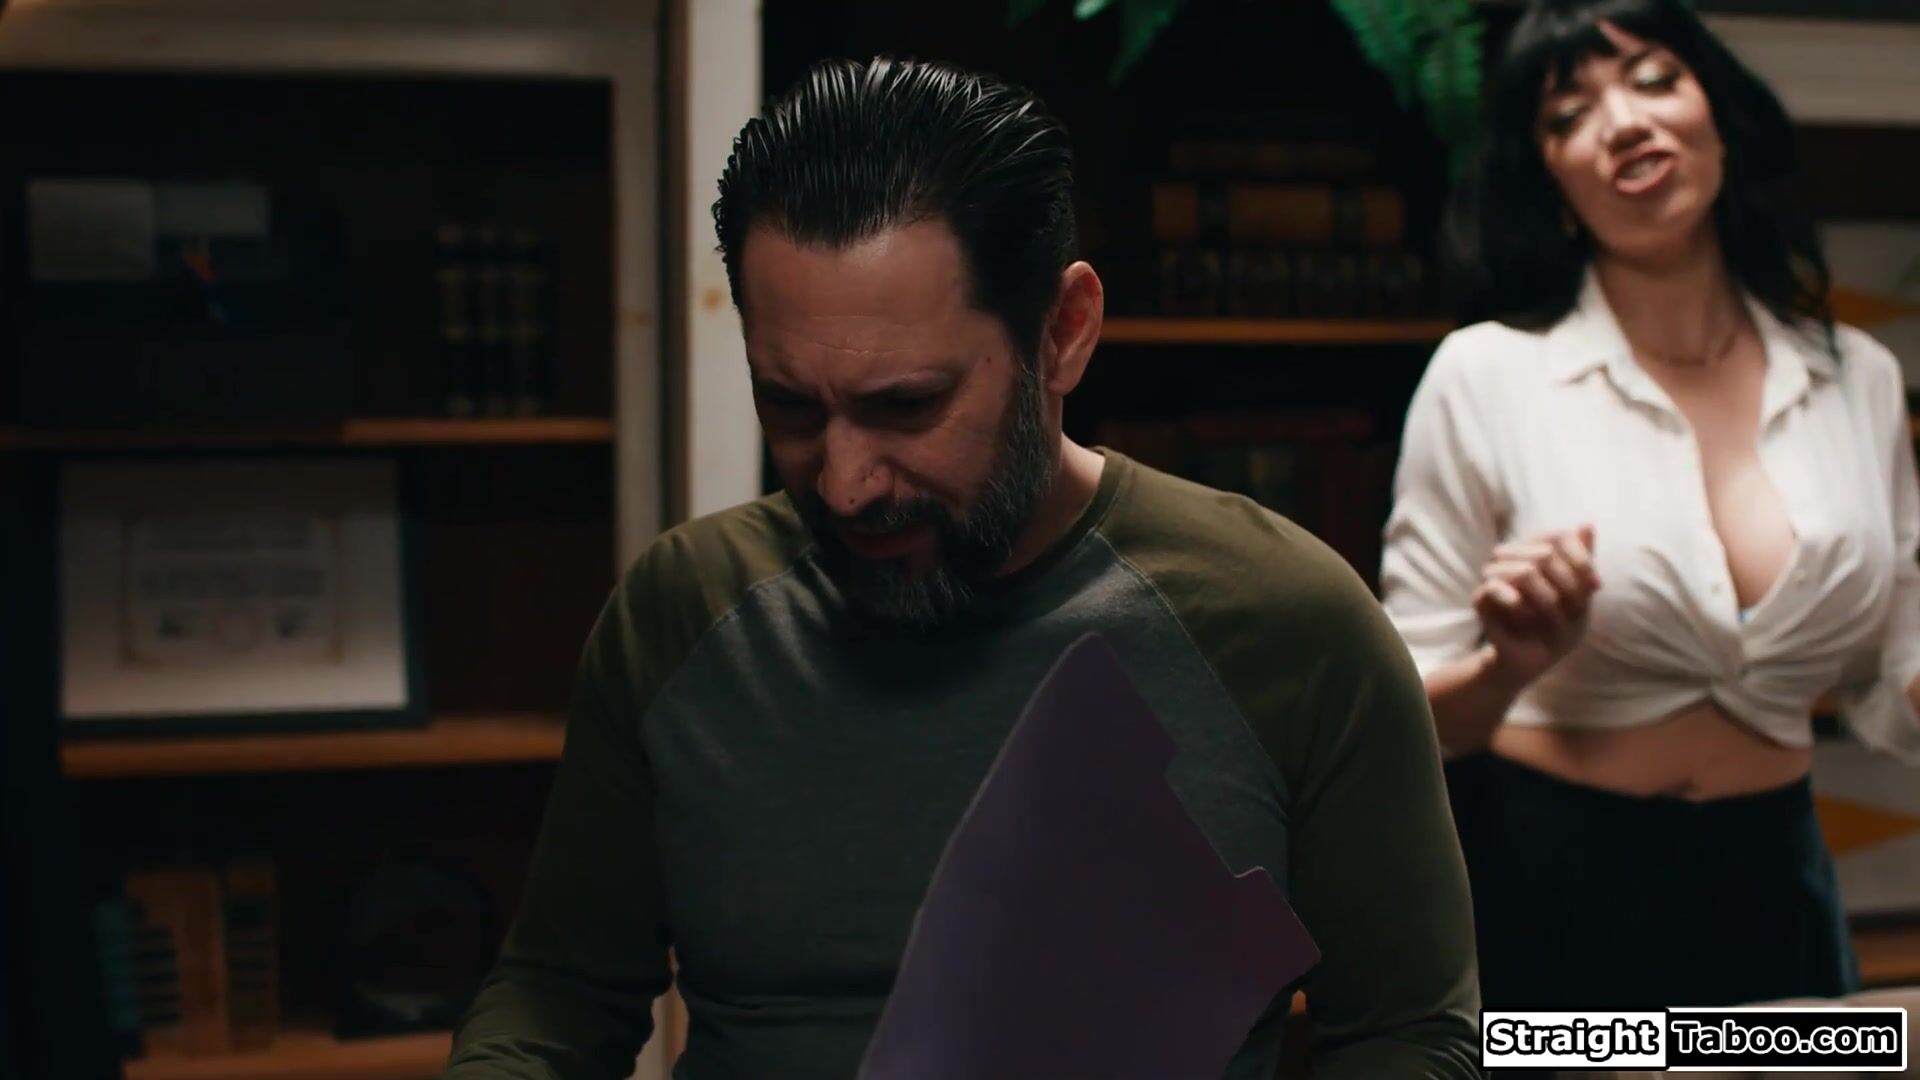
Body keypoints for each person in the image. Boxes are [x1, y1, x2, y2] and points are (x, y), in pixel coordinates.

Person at [445, 57, 1479, 1079]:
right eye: (791, 406)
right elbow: (559, 993)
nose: (845, 484)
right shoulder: (682, 611)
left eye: (906, 407)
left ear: (1063, 333)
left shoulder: (1289, 627)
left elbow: (1414, 1033)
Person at [1383, 0, 1920, 1015]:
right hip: (1555, 892)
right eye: (1568, 115)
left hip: (1781, 886)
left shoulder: (1860, 378)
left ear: (1721, 119)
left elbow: (1895, 672)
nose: (1624, 122)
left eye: (1656, 79)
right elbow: (1403, 713)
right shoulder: (1485, 376)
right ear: (1550, 181)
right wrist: (1510, 663)